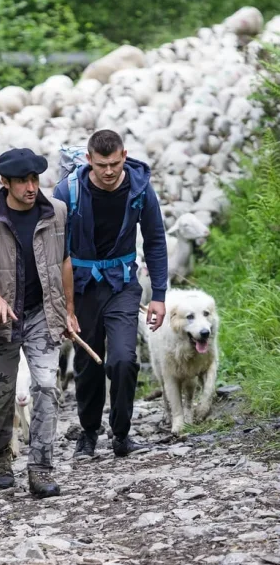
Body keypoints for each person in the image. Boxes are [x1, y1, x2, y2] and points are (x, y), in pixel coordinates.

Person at [0, 148, 79, 497]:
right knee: (0, 392)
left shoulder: (57, 212)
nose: (31, 187)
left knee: (46, 386)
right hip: (0, 317)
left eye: (35, 179)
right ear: (5, 182)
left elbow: (64, 261)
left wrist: (69, 310)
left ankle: (41, 466)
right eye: (23, 181)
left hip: (42, 313)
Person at [53, 129, 168, 458]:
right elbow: (53, 249)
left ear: (124, 156)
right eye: (102, 164)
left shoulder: (140, 189)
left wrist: (158, 294)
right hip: (81, 285)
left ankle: (121, 432)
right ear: (88, 160)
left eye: (115, 164)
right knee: (87, 364)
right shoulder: (67, 191)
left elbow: (156, 241)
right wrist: (61, 304)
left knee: (122, 359)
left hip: (121, 283)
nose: (108, 171)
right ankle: (88, 433)